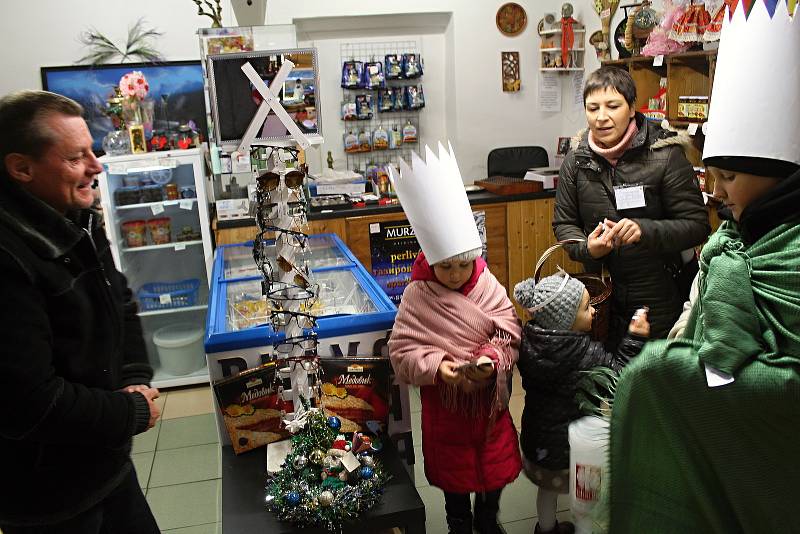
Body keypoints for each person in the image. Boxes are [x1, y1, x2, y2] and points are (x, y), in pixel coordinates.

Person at [605, 2, 800, 531]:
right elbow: (697, 323)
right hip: (714, 452)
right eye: (711, 175)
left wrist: (667, 374)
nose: (715, 192)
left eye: (730, 179)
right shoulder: (731, 241)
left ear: (779, 177)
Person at [0, 91, 161, 533]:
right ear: (21, 168)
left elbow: (119, 299)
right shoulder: (9, 259)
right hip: (48, 499)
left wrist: (133, 378)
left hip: (105, 466)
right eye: (76, 157)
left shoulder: (76, 217)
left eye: (93, 150)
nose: (96, 166)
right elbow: (29, 403)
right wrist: (129, 413)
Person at [388, 144, 522, 534]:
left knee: (494, 471)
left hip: (488, 407)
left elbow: (509, 332)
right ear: (430, 258)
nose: (455, 273)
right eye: (445, 266)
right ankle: (459, 522)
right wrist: (438, 367)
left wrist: (490, 358)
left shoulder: (486, 283)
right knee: (454, 481)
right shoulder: (418, 294)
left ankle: (488, 518)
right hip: (445, 411)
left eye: (464, 264)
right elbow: (401, 351)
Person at [553, 66, 710, 349]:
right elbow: (564, 225)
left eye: (613, 106)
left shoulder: (665, 154)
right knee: (608, 383)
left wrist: (644, 230)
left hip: (659, 298)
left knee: (653, 382)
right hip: (601, 298)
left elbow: (697, 225)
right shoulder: (575, 161)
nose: (601, 117)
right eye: (592, 108)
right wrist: (587, 248)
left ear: (632, 107)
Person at [513, 273, 649, 534]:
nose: (594, 310)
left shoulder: (527, 342)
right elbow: (615, 377)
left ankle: (546, 528)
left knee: (547, 491)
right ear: (566, 321)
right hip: (577, 448)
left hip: (539, 442)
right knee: (586, 497)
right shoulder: (586, 354)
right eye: (587, 307)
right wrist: (634, 339)